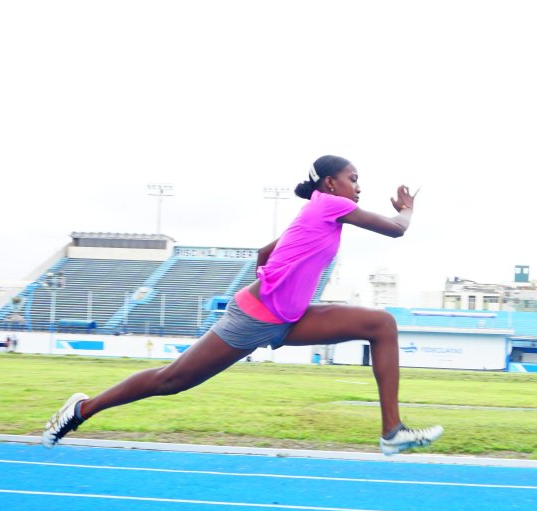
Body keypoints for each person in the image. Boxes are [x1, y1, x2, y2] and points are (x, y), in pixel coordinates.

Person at [43, 155, 443, 456]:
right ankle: (82, 408)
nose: (359, 188)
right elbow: (397, 230)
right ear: (330, 183)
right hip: (254, 319)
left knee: (381, 325)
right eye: (354, 180)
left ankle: (392, 431)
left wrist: (287, 284)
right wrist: (406, 207)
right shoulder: (328, 205)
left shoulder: (316, 213)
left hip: (290, 319)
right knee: (171, 381)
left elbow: (264, 254)